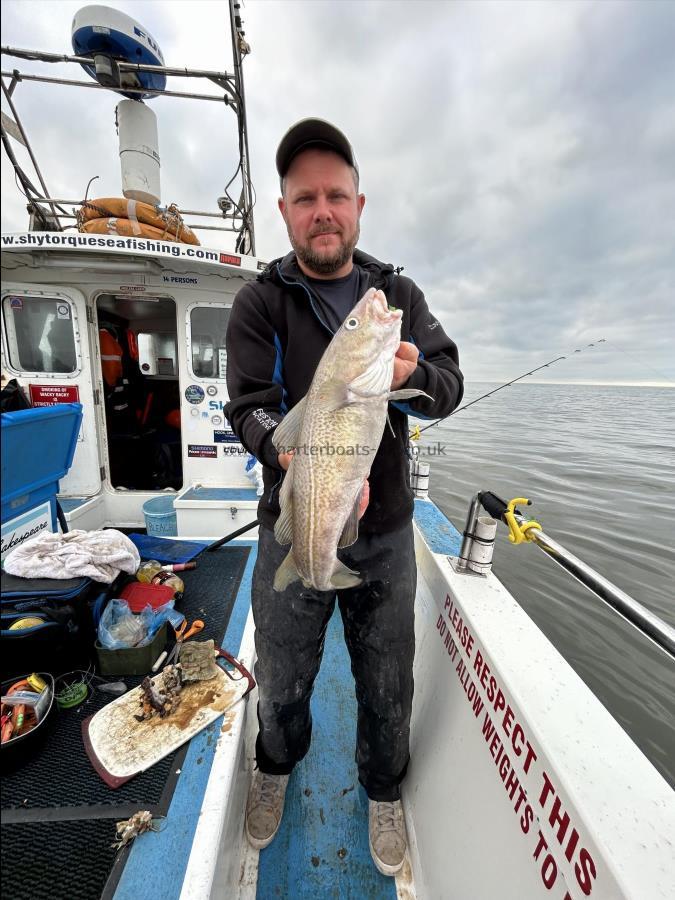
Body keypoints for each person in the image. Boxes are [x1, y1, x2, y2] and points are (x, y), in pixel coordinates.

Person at [225, 118, 463, 876]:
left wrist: (407, 378)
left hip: (386, 531)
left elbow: (447, 385)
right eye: (305, 198)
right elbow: (249, 405)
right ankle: (275, 766)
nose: (321, 210)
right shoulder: (259, 302)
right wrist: (289, 451)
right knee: (285, 675)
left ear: (358, 204)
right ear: (286, 209)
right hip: (294, 518)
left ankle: (382, 789)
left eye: (335, 195)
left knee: (387, 680)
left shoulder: (394, 294)